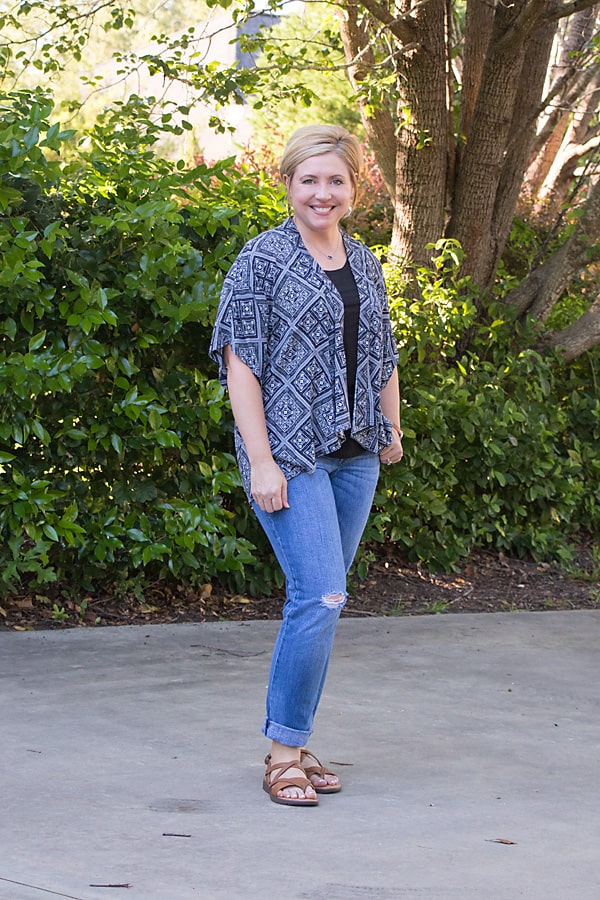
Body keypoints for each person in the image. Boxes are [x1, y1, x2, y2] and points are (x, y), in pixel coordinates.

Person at [209, 124, 403, 807]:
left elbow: (383, 349)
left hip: (356, 456)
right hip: (290, 456)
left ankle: (295, 737)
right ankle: (283, 754)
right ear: (288, 183)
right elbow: (240, 366)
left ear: (354, 189)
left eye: (336, 180)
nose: (323, 192)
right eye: (309, 179)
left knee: (327, 600)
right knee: (319, 594)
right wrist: (261, 462)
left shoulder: (364, 260)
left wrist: (393, 427)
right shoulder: (260, 261)